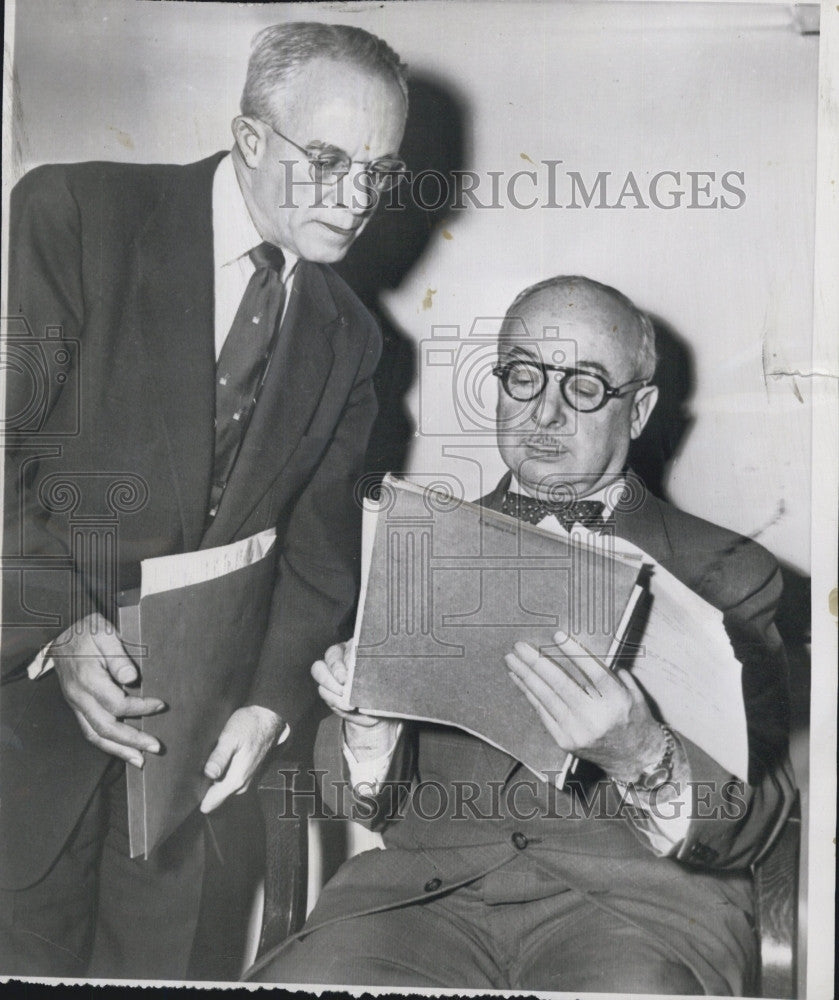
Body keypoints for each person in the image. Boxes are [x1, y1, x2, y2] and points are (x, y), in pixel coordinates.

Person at [248, 276, 796, 995]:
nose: (544, 411)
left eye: (583, 387)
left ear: (640, 410)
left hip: (637, 913)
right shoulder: (418, 539)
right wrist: (368, 728)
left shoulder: (727, 572)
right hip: (415, 907)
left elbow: (758, 818)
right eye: (524, 375)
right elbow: (355, 800)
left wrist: (642, 755)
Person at [0, 22, 408, 979]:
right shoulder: (75, 212)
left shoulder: (350, 336)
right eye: (330, 161)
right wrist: (66, 626)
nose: (356, 201)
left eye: (380, 173)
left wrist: (268, 703)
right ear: (251, 138)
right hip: (23, 723)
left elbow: (316, 556)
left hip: (192, 770)